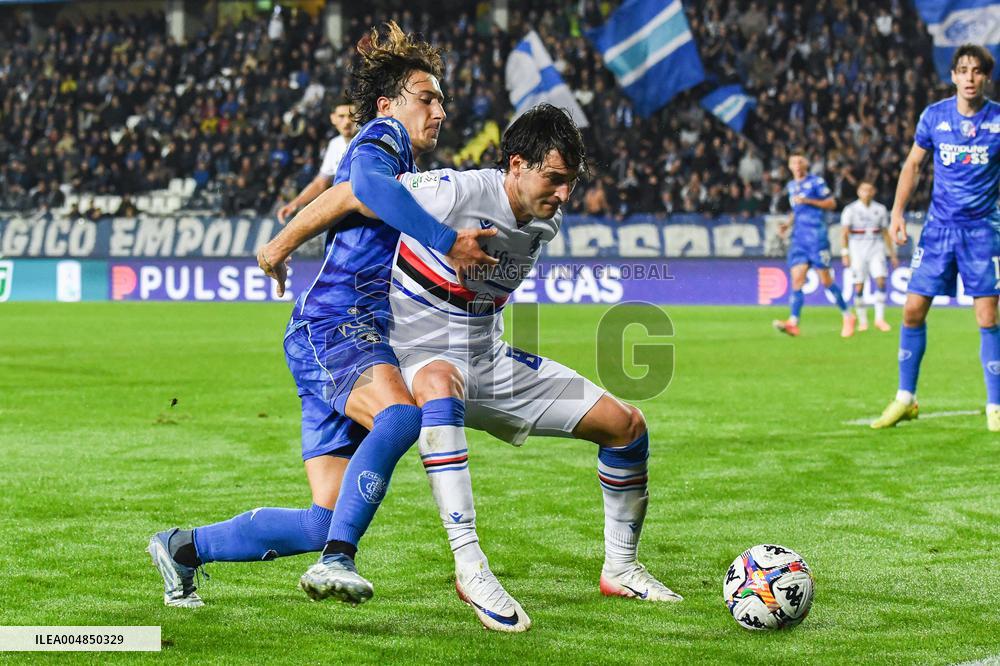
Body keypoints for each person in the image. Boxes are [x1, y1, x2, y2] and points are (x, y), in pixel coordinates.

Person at [148, 22, 496, 609]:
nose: (439, 110)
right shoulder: (382, 137)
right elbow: (361, 186)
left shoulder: (399, 161)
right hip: (337, 326)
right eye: (427, 96)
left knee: (324, 517)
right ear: (388, 104)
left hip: (340, 331)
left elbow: (345, 197)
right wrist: (447, 239)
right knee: (401, 419)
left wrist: (279, 244)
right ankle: (339, 561)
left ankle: (183, 546)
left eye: (442, 100)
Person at [387, 105, 682, 632]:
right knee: (439, 382)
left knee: (627, 426)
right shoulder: (455, 191)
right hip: (420, 353)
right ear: (517, 164)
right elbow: (363, 190)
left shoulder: (547, 218)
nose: (564, 194)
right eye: (554, 179)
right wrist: (282, 246)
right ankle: (470, 566)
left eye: (570, 182)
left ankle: (621, 567)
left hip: (490, 359)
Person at [872, 44, 1000, 431]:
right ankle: (905, 399)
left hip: (982, 232)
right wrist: (896, 212)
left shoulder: (998, 121)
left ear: (986, 78)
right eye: (963, 70)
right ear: (953, 76)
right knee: (912, 310)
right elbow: (913, 164)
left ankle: (995, 405)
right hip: (939, 229)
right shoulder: (934, 116)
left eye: (977, 71)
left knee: (987, 314)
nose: (970, 77)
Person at [772, 153, 855, 337]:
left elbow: (832, 203)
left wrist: (809, 200)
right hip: (799, 239)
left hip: (817, 237)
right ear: (790, 166)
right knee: (796, 280)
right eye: (794, 162)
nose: (798, 164)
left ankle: (847, 316)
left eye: (801, 161)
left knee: (826, 280)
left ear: (806, 164)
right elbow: (797, 210)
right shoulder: (792, 186)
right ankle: (794, 322)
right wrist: (788, 223)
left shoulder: (816, 182)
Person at [276, 100, 358, 224]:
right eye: (341, 116)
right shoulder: (335, 144)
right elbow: (321, 183)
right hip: (346, 215)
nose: (347, 122)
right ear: (333, 118)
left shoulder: (369, 139)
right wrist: (294, 203)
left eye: (351, 116)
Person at [840, 181, 897, 334]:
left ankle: (880, 319)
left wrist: (892, 254)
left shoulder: (880, 209)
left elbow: (885, 232)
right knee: (859, 286)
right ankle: (863, 321)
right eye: (864, 189)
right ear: (858, 192)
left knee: (881, 280)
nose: (867, 192)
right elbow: (844, 232)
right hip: (857, 249)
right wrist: (845, 253)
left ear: (874, 191)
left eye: (869, 189)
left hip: (876, 248)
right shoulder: (850, 209)